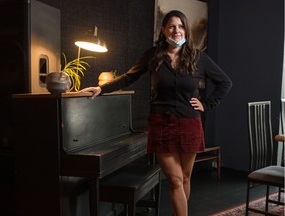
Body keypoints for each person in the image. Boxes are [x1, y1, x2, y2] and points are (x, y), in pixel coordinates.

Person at [80, 10, 232, 216]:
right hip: (162, 124)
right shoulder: (153, 55)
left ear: (185, 29)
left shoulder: (198, 58)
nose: (176, 30)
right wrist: (101, 89)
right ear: (163, 30)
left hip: (190, 124)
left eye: (180, 26)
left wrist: (207, 103)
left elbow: (225, 82)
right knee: (175, 179)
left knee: (185, 178)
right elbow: (128, 77)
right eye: (171, 26)